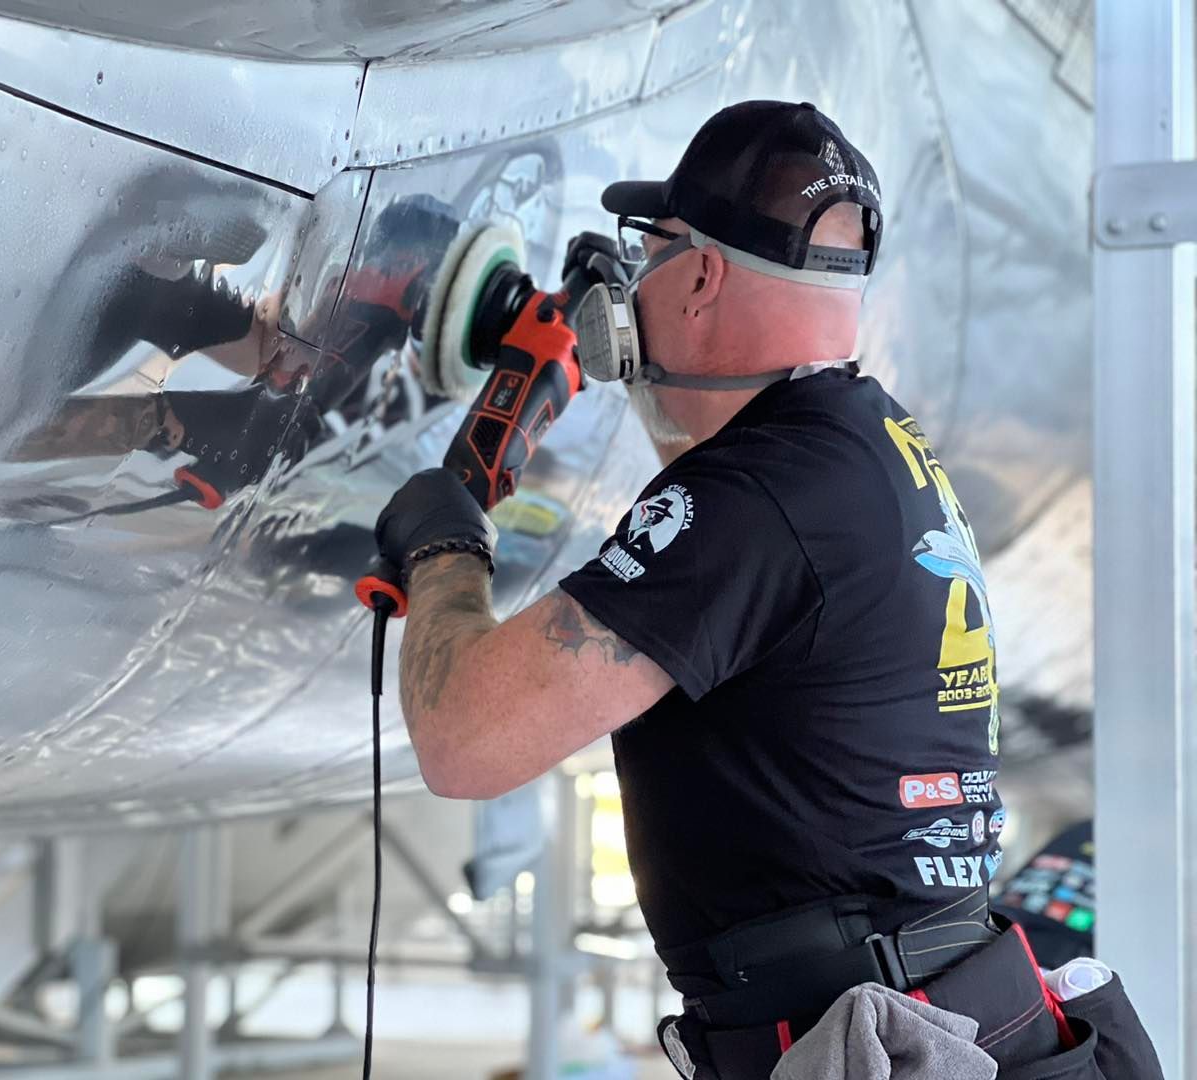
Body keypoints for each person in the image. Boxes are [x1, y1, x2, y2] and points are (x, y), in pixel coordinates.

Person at [372, 100, 1160, 1077]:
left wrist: (444, 544)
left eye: (650, 252)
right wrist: (617, 358)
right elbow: (726, 498)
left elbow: (466, 738)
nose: (634, 279)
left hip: (882, 1039)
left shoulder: (756, 500)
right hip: (960, 1011)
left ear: (701, 273)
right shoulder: (866, 447)